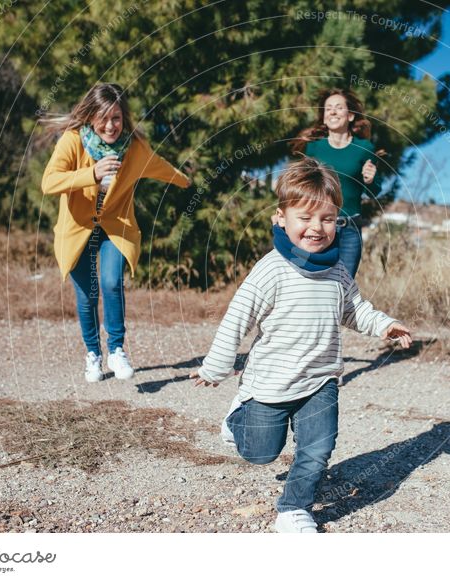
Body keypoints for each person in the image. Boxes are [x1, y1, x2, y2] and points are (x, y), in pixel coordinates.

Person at [191, 159, 411, 533]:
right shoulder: (272, 269)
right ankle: (237, 416)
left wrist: (385, 325)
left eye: (327, 219)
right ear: (281, 218)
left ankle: (294, 510)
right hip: (271, 384)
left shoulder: (338, 270)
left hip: (320, 380)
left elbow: (355, 309)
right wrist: (215, 367)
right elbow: (237, 317)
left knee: (318, 448)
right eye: (305, 217)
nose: (316, 227)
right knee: (261, 453)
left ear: (338, 221)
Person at [41, 83, 190, 382]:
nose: (110, 125)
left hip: (114, 227)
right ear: (91, 117)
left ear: (125, 118)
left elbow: (161, 167)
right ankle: (93, 354)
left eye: (117, 118)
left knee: (110, 282)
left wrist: (186, 182)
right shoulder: (72, 141)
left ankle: (117, 350)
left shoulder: (134, 149)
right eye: (104, 118)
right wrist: (91, 174)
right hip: (78, 228)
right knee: (86, 295)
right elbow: (49, 183)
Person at [290, 88, 382, 278]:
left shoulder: (365, 148)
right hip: (316, 228)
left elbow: (375, 191)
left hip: (349, 231)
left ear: (350, 116)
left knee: (342, 287)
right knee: (304, 280)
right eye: (328, 109)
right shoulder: (313, 148)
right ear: (324, 118)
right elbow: (300, 187)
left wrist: (370, 180)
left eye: (339, 108)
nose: (332, 111)